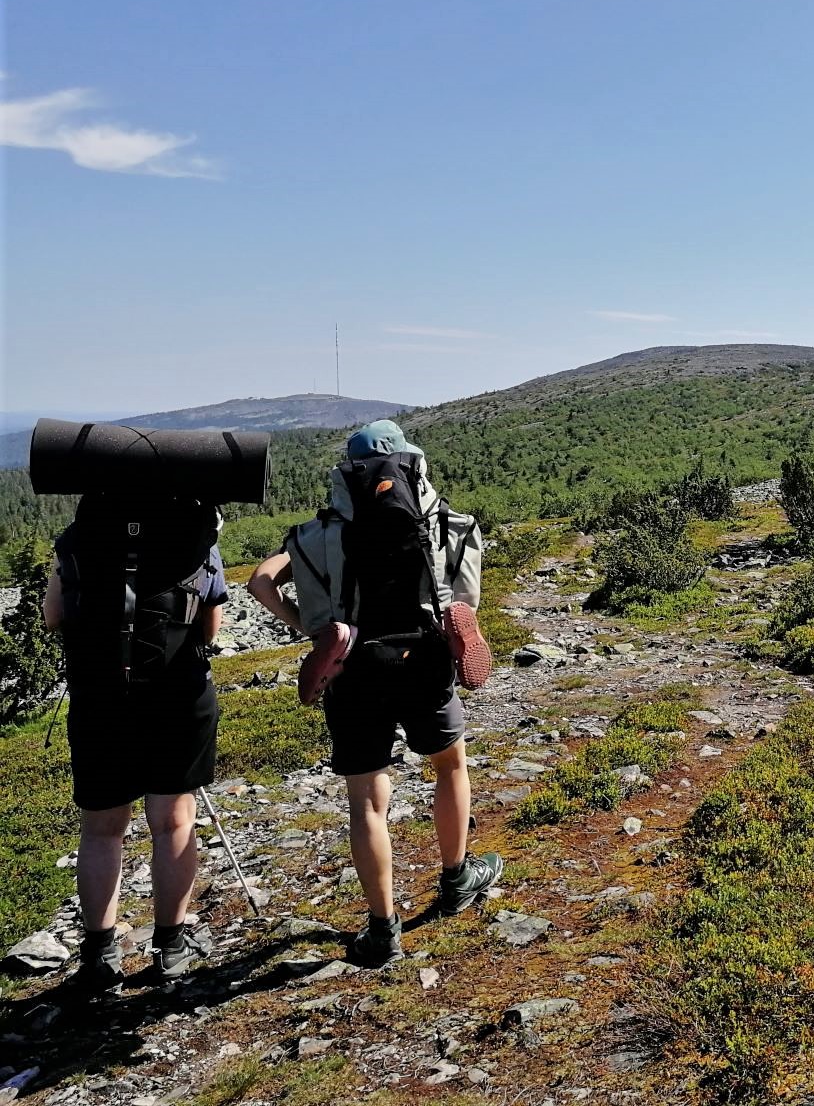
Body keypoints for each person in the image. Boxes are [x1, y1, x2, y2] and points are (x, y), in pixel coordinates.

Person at [249, 421, 500, 967]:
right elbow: (468, 601)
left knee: (367, 799)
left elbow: (259, 582)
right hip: (424, 659)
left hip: (353, 669)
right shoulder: (452, 525)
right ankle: (457, 879)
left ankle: (382, 930)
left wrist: (305, 624)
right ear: (414, 463)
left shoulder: (313, 537)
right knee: (449, 766)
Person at [43, 495, 228, 990]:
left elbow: (53, 616)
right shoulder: (197, 537)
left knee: (102, 829)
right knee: (172, 821)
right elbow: (209, 627)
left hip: (99, 698)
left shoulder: (78, 540)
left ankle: (100, 954)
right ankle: (170, 945)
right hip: (178, 695)